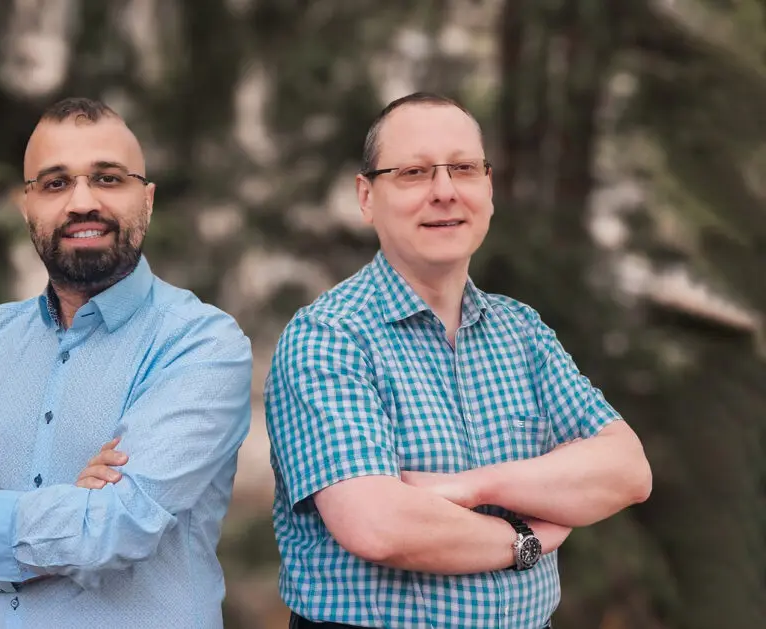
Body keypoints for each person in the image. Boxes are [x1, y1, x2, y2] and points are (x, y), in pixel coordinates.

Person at [262, 93, 653, 629]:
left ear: (488, 188)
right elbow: (379, 526)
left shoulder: (522, 331)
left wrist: (475, 487)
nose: (444, 192)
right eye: (415, 172)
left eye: (464, 168)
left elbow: (627, 470)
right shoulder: (328, 338)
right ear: (367, 196)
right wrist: (527, 537)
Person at [0, 97, 253, 629]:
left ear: (147, 200)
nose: (82, 202)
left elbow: (117, 529)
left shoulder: (202, 342)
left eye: (108, 179)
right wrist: (70, 528)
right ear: (26, 205)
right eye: (55, 183)